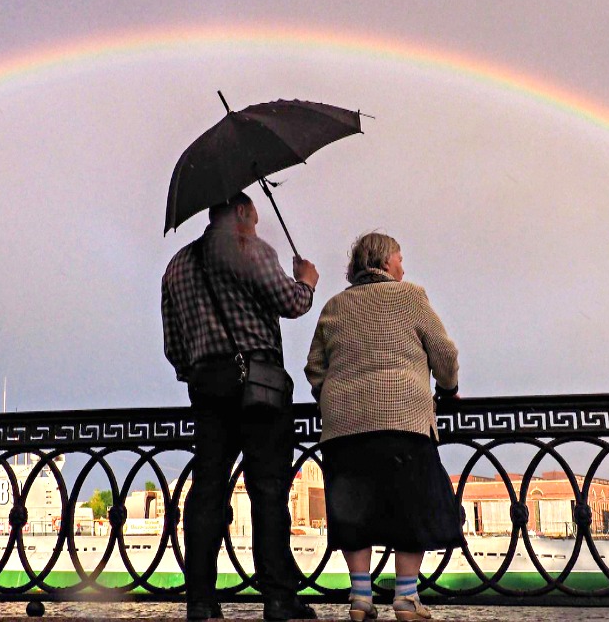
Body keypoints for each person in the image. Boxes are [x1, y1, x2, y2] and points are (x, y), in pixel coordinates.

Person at [161, 192, 320, 621]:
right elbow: (292, 303)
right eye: (253, 217)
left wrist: (201, 371)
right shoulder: (251, 249)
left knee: (208, 490)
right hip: (260, 388)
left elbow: (173, 347)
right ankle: (278, 599)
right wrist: (306, 279)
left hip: (206, 389)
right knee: (268, 492)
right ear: (241, 212)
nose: (255, 224)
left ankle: (200, 600)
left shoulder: (176, 266)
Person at [305, 232, 463, 622]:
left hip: (344, 428)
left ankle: (361, 600)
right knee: (412, 505)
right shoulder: (410, 295)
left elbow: (314, 366)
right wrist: (449, 387)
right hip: (403, 421)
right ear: (386, 262)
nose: (403, 266)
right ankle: (406, 600)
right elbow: (444, 353)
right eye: (400, 258)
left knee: (354, 512)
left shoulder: (334, 305)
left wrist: (334, 396)